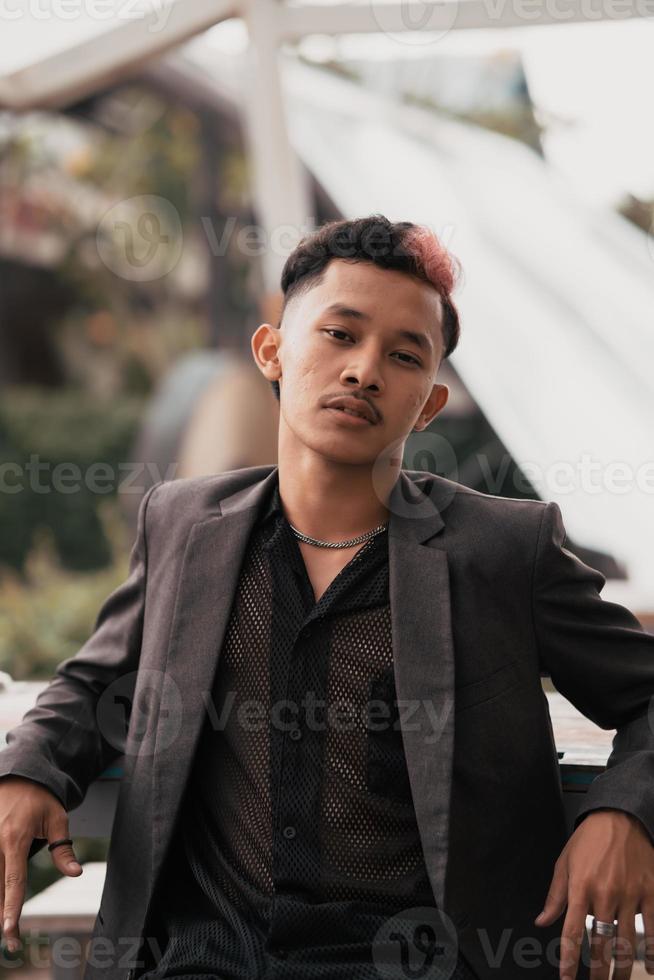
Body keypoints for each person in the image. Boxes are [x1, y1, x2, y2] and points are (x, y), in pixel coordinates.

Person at [0, 214, 653, 980]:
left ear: (429, 403)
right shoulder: (184, 524)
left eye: (404, 355)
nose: (365, 370)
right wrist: (29, 768)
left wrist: (623, 811)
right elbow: (95, 682)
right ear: (271, 351)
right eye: (340, 334)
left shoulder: (505, 550)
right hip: (201, 960)